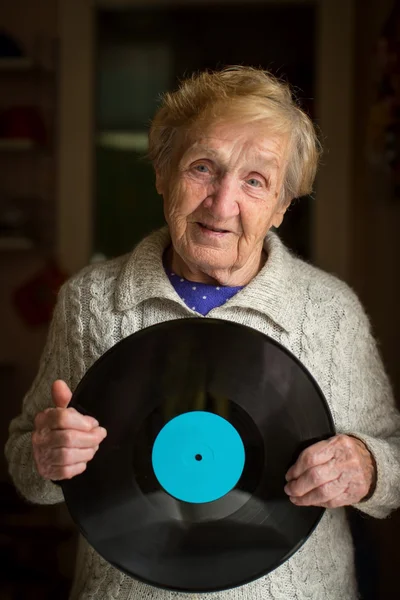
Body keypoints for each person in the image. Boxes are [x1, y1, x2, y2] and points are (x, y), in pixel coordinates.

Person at [5, 66, 400, 600]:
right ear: (163, 174)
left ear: (282, 206)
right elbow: (25, 457)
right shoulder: (90, 301)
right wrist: (43, 456)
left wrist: (369, 466)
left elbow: (393, 459)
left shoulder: (330, 312)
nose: (221, 203)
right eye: (202, 168)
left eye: (255, 181)